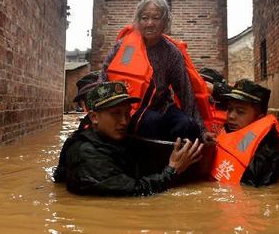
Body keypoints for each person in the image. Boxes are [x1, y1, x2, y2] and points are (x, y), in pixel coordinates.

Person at [54, 81, 204, 196]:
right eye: (116, 113)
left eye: (127, 113)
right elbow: (135, 190)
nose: (124, 121)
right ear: (94, 117)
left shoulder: (114, 140)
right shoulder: (87, 154)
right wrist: (172, 170)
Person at [100, 0, 215, 143]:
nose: (149, 23)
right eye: (144, 18)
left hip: (162, 106)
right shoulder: (124, 47)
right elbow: (104, 75)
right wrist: (99, 110)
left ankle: (176, 161)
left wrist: (201, 129)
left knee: (187, 125)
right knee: (152, 122)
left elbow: (185, 91)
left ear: (165, 22)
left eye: (156, 18)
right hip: (130, 109)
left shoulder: (171, 52)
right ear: (138, 20)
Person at [210, 79, 279, 187]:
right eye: (229, 109)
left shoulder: (267, 150)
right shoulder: (228, 131)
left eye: (240, 112)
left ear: (259, 118)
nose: (231, 116)